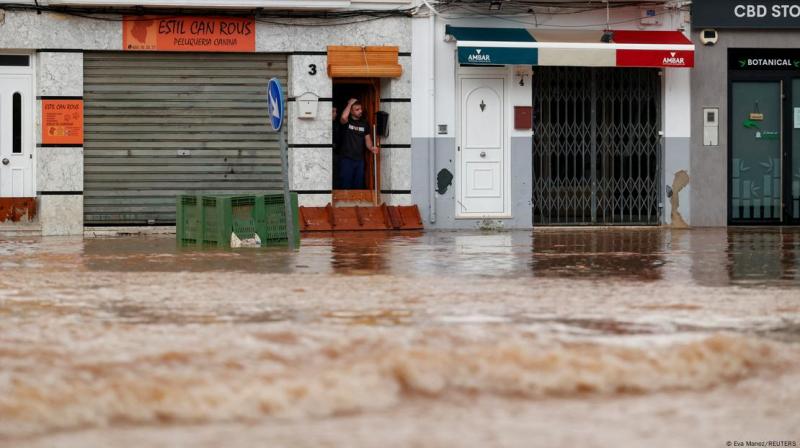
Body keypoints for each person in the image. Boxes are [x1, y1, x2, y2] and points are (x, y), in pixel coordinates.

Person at [338, 98, 378, 189]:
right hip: (346, 159)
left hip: (359, 160)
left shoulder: (364, 123)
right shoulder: (347, 122)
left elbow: (367, 139)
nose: (360, 111)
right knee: (346, 185)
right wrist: (349, 104)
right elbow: (343, 117)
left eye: (361, 109)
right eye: (357, 109)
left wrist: (371, 148)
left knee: (358, 185)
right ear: (351, 111)